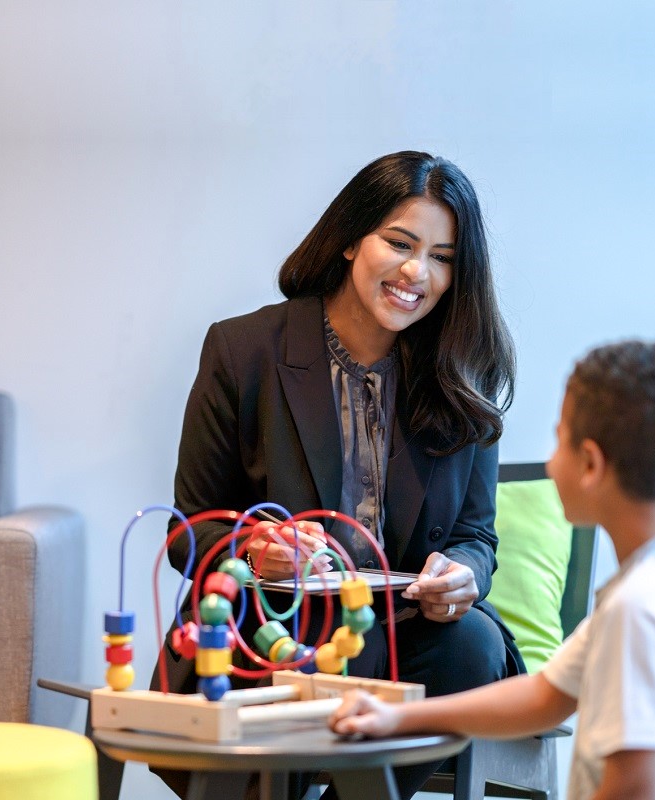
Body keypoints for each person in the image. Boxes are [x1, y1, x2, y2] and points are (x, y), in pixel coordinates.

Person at [155, 150, 523, 799]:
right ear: (352, 239)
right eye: (400, 243)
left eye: (442, 257)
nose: (418, 272)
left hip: (408, 637)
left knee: (472, 644)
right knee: (304, 648)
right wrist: (255, 550)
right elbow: (190, 534)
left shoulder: (459, 373)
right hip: (274, 624)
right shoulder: (244, 352)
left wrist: (463, 574)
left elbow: (476, 538)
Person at [330, 340, 655, 800]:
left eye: (559, 440)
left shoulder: (643, 608)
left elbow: (635, 788)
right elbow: (545, 696)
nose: (551, 462)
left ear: (591, 464)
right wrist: (396, 716)